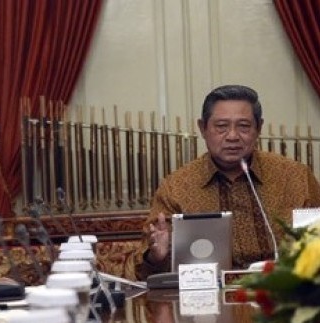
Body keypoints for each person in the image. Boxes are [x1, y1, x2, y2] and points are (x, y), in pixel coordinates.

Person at [136, 84, 320, 279]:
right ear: (202, 128)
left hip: (281, 297)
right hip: (208, 302)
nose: (232, 136)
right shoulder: (176, 188)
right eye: (221, 127)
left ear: (258, 128)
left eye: (243, 126)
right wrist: (156, 256)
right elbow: (141, 272)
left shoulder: (295, 178)